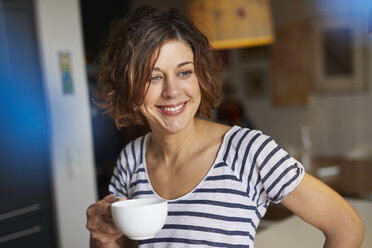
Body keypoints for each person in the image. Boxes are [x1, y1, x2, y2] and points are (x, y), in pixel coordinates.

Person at [86, 6, 364, 248]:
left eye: (184, 72)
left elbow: (347, 228)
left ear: (200, 77)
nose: (172, 91)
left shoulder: (249, 150)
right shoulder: (131, 159)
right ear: (130, 89)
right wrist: (102, 238)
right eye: (153, 77)